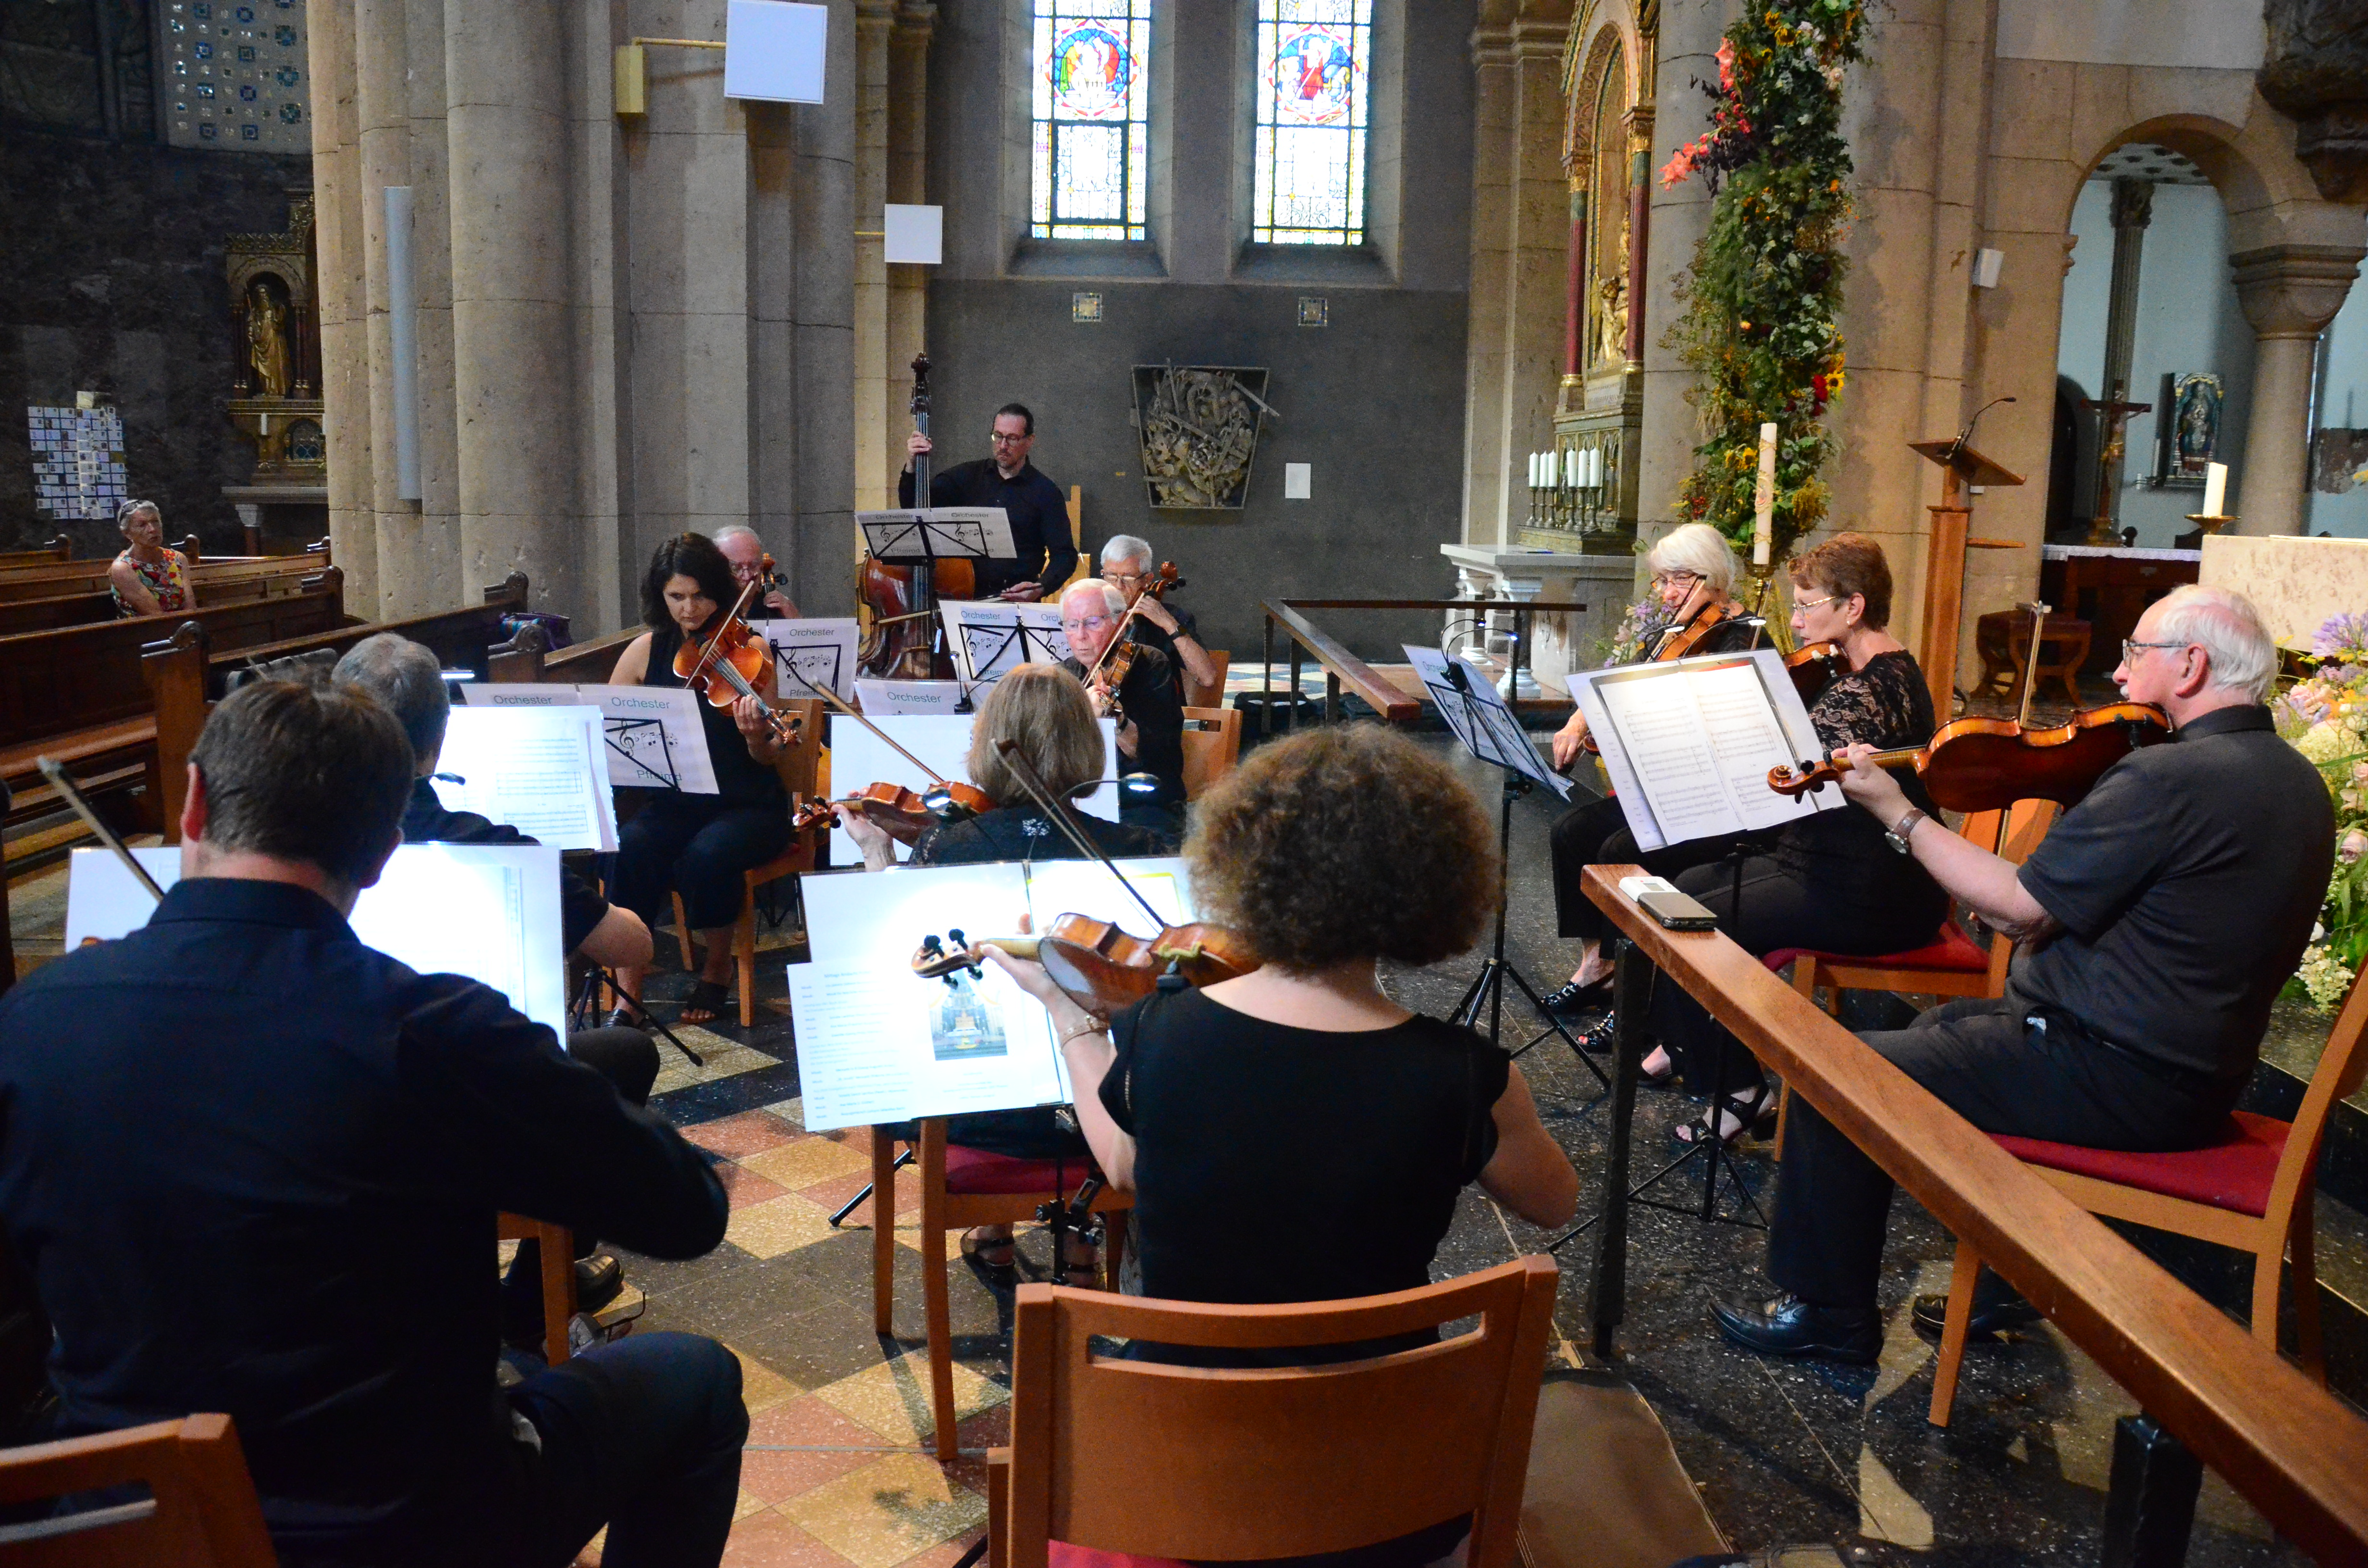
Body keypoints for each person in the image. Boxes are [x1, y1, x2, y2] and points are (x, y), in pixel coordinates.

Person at [0, 678, 743, 1568]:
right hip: (401, 1530)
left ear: (194, 801)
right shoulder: (435, 1031)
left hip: (134, 1528)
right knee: (697, 1380)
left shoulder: (32, 1020)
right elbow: (691, 1211)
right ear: (386, 850)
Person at [982, 723, 1579, 1568]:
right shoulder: (1466, 1074)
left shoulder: (1163, 1031)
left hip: (1170, 1484)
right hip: (1394, 1494)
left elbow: (1120, 1164)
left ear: (1245, 865)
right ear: (1434, 885)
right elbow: (1556, 1202)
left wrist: (1066, 1012)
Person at [1714, 583, 2333, 1364]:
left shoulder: (2171, 777)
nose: (2118, 672)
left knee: (1835, 1072)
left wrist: (1896, 811)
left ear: (2191, 665)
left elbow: (2017, 909)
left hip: (2113, 1074)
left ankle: (1829, 1316)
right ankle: (2009, 1271)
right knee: (1934, 1027)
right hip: (2197, 1078)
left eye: (2134, 653)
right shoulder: (2295, 779)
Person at [331, 632, 665, 1340]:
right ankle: (532, 1294)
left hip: (332, 1094)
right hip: (463, 1105)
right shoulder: (484, 842)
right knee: (624, 1056)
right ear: (436, 746)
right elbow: (632, 945)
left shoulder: (299, 832)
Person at [840, 663, 1168, 1282]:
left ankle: (993, 1227)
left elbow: (903, 974)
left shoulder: (945, 847)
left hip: (979, 1115)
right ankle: (1081, 1239)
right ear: (1084, 745)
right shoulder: (1139, 849)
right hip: (1106, 1115)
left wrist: (878, 855)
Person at [1630, 534, 1948, 1146]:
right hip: (1842, 867)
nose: (1795, 623)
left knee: (1682, 919)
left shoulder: (1862, 693)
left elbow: (1778, 778)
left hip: (1868, 891)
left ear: (1853, 607)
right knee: (1676, 891)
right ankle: (1693, 1047)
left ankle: (1740, 1091)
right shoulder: (1884, 669)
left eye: (1806, 607)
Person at [1542, 523, 1767, 1016]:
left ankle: (1635, 990)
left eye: (1677, 580)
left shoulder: (1747, 639)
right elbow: (1619, 684)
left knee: (1619, 849)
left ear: (1711, 576)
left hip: (1709, 801)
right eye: (1662, 581)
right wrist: (1580, 720)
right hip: (1663, 790)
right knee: (1570, 832)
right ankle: (1596, 964)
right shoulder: (1675, 634)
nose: (1666, 594)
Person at [609, 534, 795, 1025]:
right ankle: (628, 992)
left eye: (700, 596)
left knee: (708, 856)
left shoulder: (750, 650)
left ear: (718, 591)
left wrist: (755, 736)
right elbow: (606, 720)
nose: (689, 610)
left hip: (747, 804)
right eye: (677, 597)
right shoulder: (645, 651)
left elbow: (769, 756)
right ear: (660, 596)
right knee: (630, 846)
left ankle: (717, 969)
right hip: (677, 803)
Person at [900, 402, 1078, 601]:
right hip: (961, 597)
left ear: (1030, 441)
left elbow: (1065, 556)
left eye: (1012, 438)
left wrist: (1039, 588)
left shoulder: (1046, 492)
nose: (1003, 446)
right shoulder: (966, 477)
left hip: (1014, 602)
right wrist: (913, 465)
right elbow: (914, 507)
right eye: (998, 436)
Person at [1057, 577, 1185, 842]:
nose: (1080, 635)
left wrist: (1114, 717)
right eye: (1071, 624)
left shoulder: (1150, 664)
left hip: (1139, 803)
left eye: (1092, 622)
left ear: (1122, 623)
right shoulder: (1063, 676)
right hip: (1080, 802)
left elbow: (1158, 756)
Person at [1099, 533, 1218, 703]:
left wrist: (1169, 624)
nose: (1119, 586)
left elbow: (1207, 678)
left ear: (1147, 580)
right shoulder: (1092, 615)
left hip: (1157, 713)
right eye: (1111, 576)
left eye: (1128, 578)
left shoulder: (1172, 617)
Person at [106, 498, 196, 618]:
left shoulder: (178, 559)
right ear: (127, 533)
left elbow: (191, 608)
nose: (153, 529)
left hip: (184, 625)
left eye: (155, 522)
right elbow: (156, 616)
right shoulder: (123, 568)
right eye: (142, 525)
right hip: (147, 628)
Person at [713, 525, 800, 619]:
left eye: (753, 566)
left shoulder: (778, 608)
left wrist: (795, 620)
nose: (747, 577)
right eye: (736, 568)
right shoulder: (708, 608)